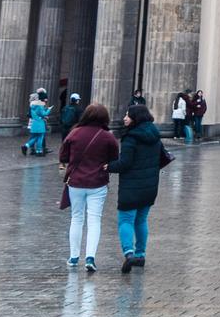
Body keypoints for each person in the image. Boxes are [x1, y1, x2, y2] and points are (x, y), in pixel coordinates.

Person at [59, 103, 120, 273]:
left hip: (76, 182)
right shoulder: (107, 136)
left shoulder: (74, 133)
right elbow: (114, 159)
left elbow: (63, 156)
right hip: (97, 182)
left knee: (76, 218)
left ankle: (73, 257)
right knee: (94, 221)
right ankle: (90, 257)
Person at [108, 103, 167, 273]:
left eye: (128, 115)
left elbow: (124, 163)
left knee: (126, 220)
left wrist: (108, 166)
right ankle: (140, 255)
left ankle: (128, 254)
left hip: (131, 186)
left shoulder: (131, 138)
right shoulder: (155, 135)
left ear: (136, 118)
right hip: (149, 186)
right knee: (141, 220)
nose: (125, 118)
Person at [23, 89, 51, 156]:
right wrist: (49, 110)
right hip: (40, 123)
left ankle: (26, 146)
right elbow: (43, 114)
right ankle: (39, 151)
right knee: (40, 137)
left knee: (35, 137)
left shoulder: (33, 105)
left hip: (34, 123)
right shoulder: (40, 105)